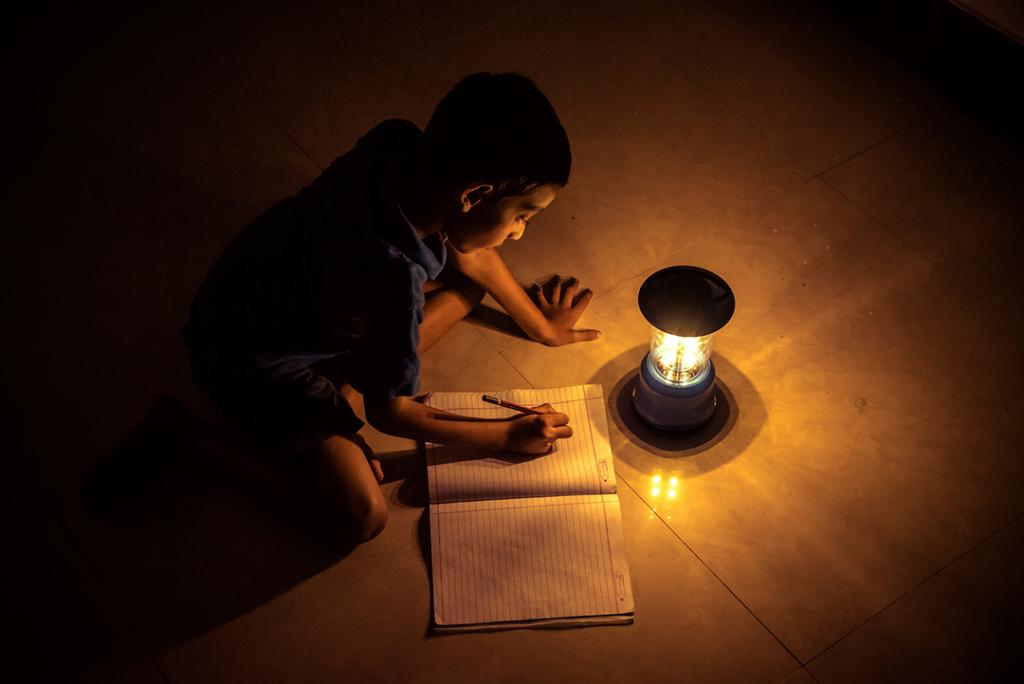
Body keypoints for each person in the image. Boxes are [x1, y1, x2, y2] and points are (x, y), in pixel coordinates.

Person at [184, 72, 599, 543]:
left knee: (466, 291)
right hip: (248, 362)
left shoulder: (397, 140)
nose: (520, 232)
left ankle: (346, 380)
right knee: (362, 515)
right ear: (473, 195)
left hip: (244, 289)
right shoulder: (391, 282)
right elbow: (392, 413)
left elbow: (470, 251)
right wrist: (505, 434)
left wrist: (543, 327)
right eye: (522, 216)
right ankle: (190, 443)